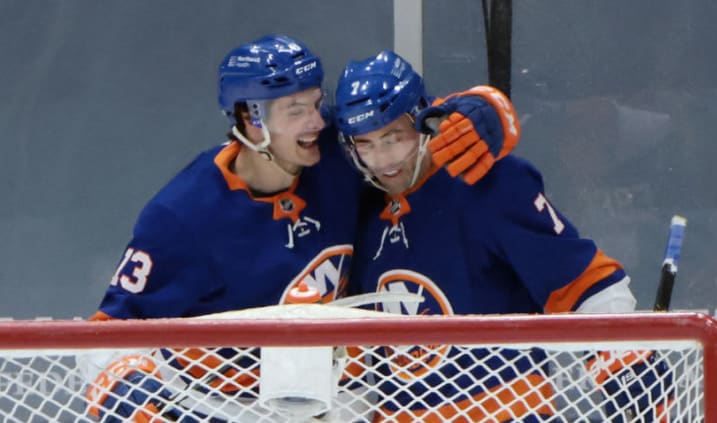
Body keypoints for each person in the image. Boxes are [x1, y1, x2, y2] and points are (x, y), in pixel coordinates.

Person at [84, 35, 518, 422]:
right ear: (251, 120)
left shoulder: (336, 151)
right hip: (227, 407)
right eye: (297, 111)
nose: (317, 121)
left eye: (315, 102)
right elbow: (105, 336)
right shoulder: (183, 215)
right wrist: (130, 396)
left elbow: (409, 116)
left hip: (345, 399)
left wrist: (482, 110)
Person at [335, 50, 673, 422]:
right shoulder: (360, 209)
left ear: (420, 119)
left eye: (392, 137)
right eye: (365, 145)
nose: (383, 160)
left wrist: (627, 364)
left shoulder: (486, 183)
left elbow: (579, 279)